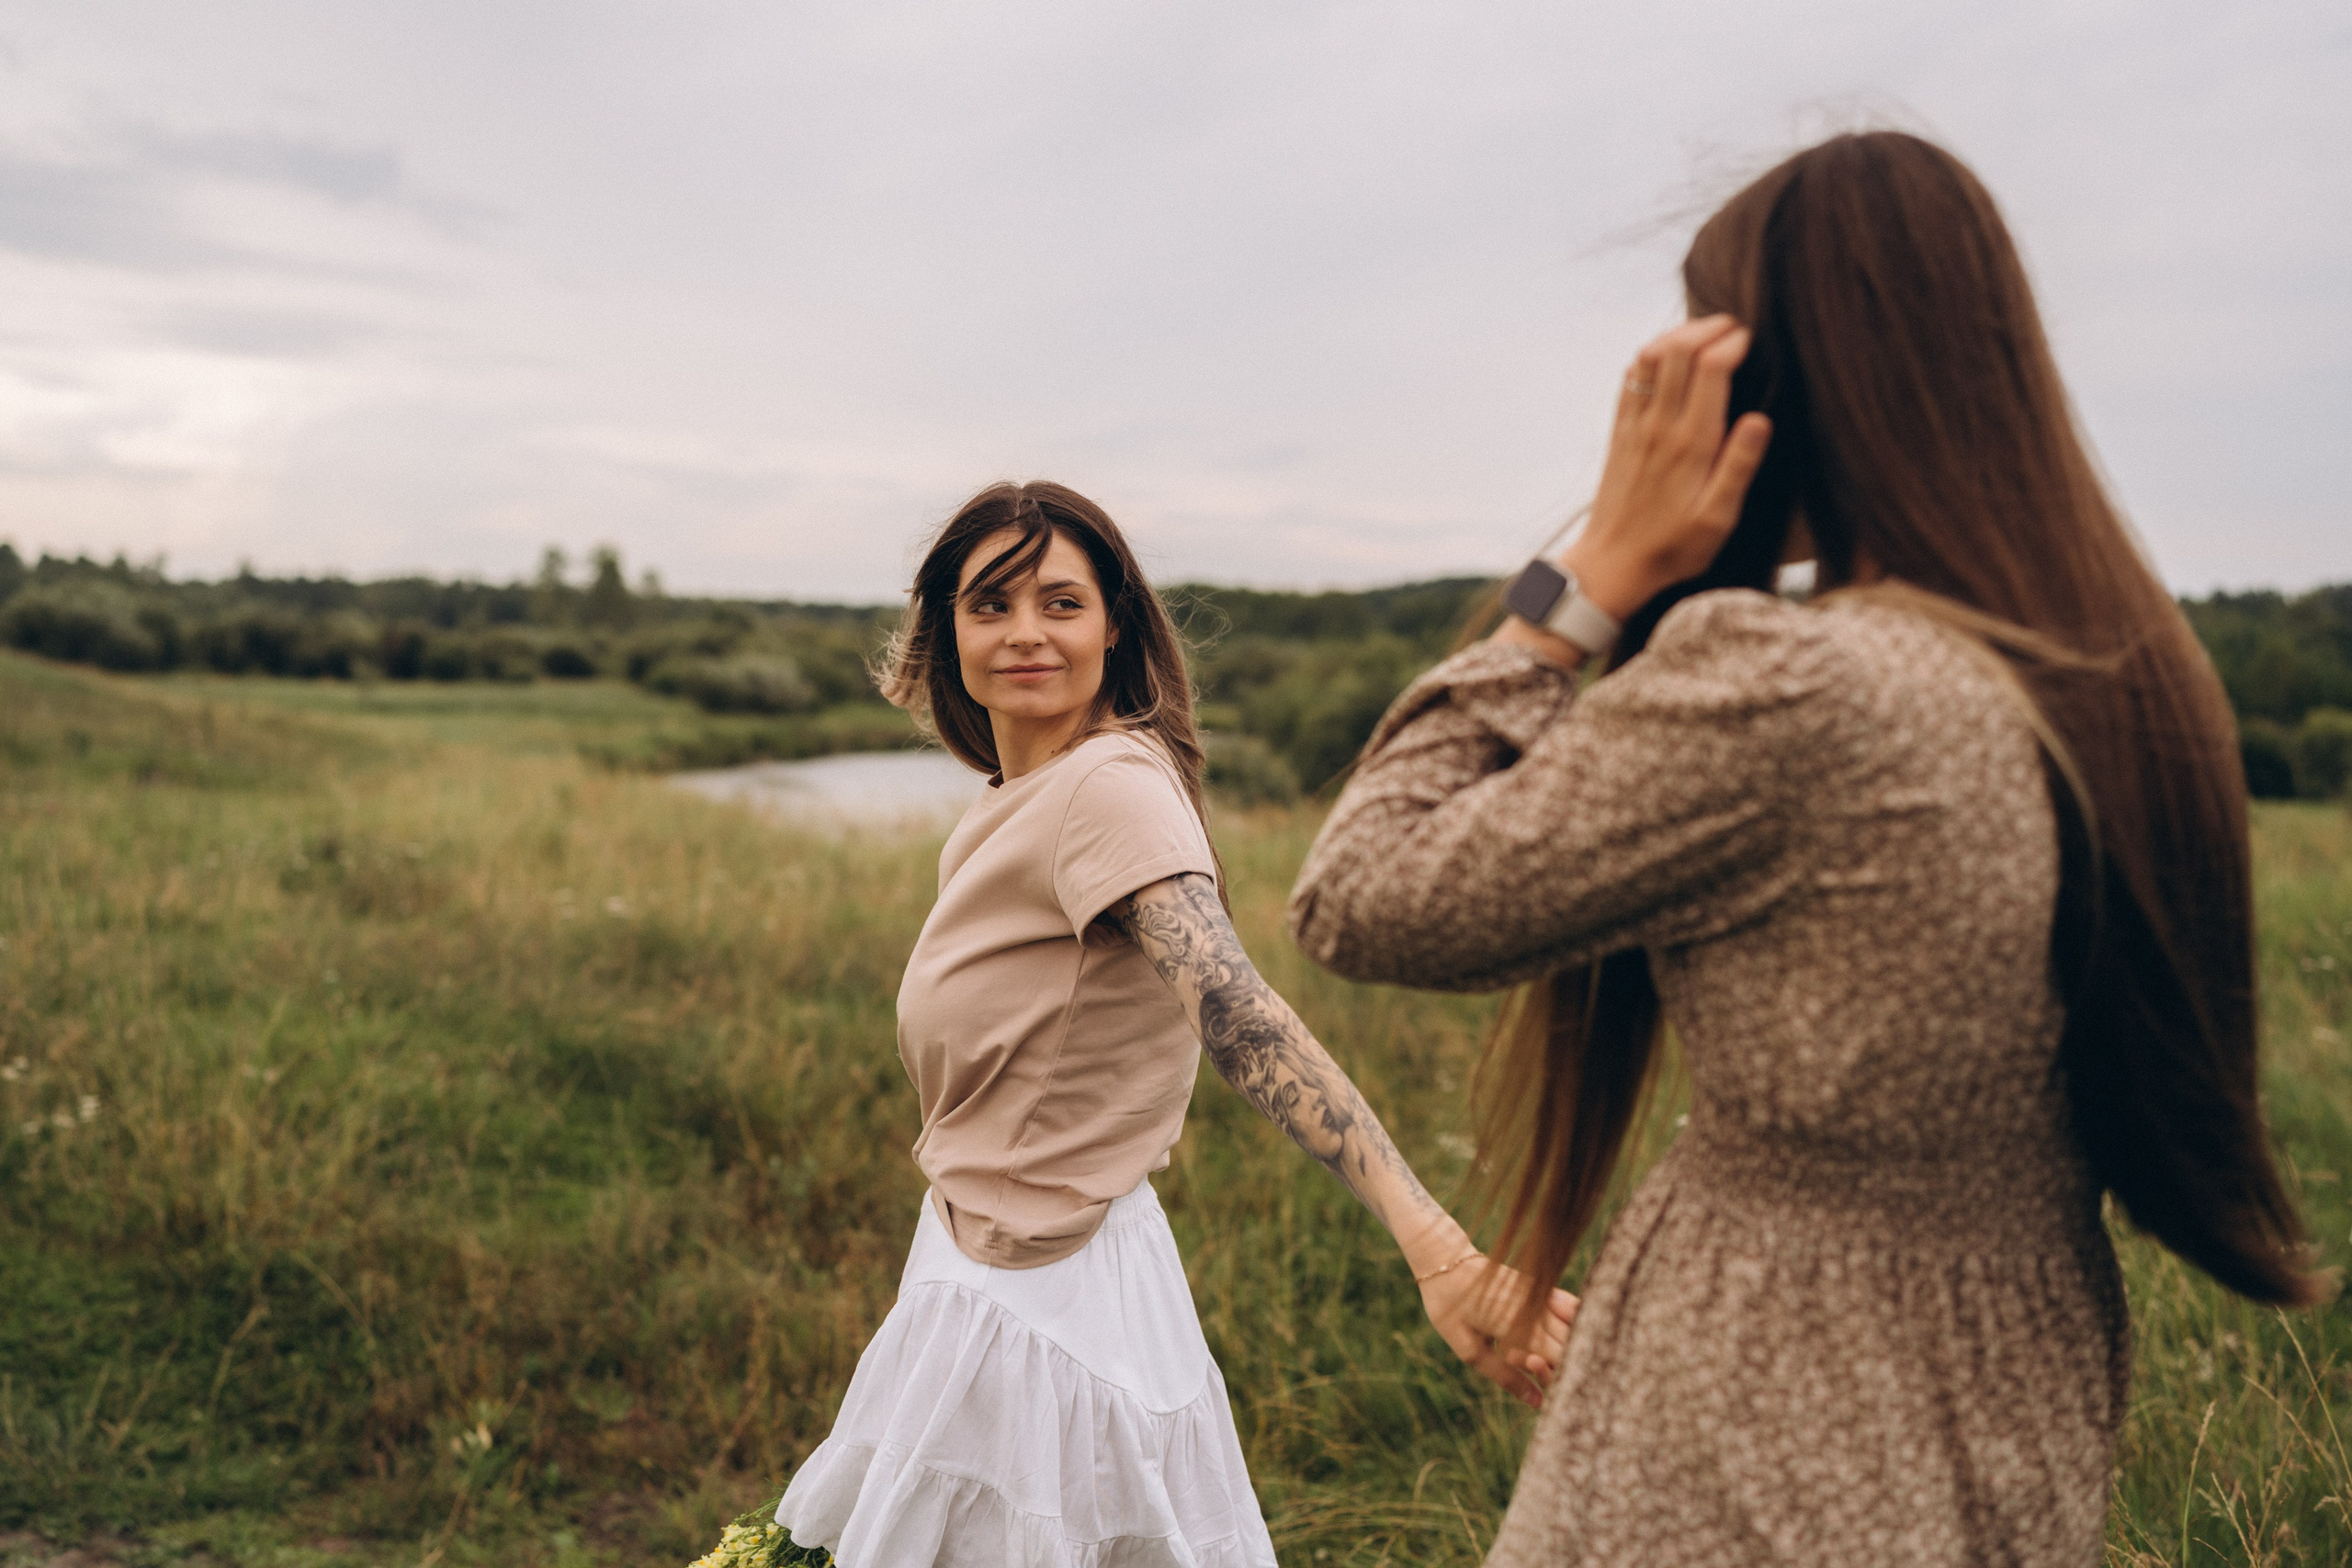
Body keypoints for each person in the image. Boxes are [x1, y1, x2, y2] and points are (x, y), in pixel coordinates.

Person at [1286, 130, 2324, 1566]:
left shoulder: (1805, 684)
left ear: (1773, 386)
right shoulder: (2129, 678)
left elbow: (1359, 895)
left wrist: (1585, 576)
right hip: (2012, 1381)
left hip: (1758, 1400)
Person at [776, 480, 1575, 1567]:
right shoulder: (1012, 794)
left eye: (1061, 603)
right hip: (978, 1263)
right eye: (990, 604)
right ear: (947, 629)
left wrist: (1437, 1247)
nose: (1024, 632)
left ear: (1114, 625)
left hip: (1048, 1304)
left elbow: (1238, 1014)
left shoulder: (1104, 788)